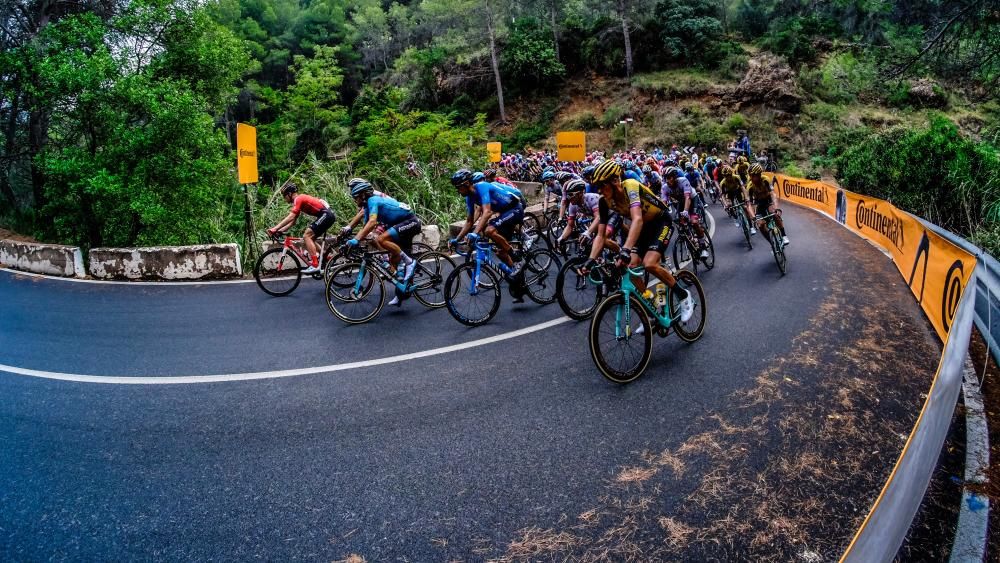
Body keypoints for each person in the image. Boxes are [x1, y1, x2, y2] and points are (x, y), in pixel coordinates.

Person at [584, 160, 694, 323]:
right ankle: (652, 307)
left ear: (615, 181)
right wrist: (590, 260)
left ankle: (684, 296)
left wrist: (626, 249)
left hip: (661, 222)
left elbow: (637, 219)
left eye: (602, 185)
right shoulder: (603, 201)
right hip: (643, 229)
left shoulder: (630, 185)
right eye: (596, 186)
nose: (599, 190)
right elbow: (600, 235)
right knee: (631, 267)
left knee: (650, 263)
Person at [450, 168, 528, 302]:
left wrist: (474, 234)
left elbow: (487, 213)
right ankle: (518, 280)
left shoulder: (482, 187)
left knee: (489, 231)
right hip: (504, 213)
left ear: (467, 183)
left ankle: (515, 255)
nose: (458, 191)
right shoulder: (469, 198)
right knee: (500, 252)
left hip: (514, 208)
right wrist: (456, 239)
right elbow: (469, 221)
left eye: (459, 187)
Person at [344, 178, 422, 291]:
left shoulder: (373, 200)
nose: (354, 200)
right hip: (399, 224)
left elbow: (372, 222)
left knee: (381, 239)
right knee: (392, 260)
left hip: (410, 221)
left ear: (362, 195)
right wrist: (354, 239)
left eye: (355, 197)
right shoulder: (366, 207)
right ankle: (401, 289)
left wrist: (356, 240)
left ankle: (410, 262)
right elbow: (366, 228)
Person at [267, 182, 336, 275]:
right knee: (311, 238)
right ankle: (326, 258)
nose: (284, 199)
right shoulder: (299, 200)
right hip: (326, 215)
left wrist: (274, 228)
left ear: (289, 193)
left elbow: (291, 217)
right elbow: (293, 222)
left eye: (284, 196)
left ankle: (315, 265)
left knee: (306, 236)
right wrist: (280, 231)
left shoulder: (298, 199)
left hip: (326, 215)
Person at [664, 168, 710, 259]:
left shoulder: (683, 181)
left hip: (692, 200)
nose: (668, 180)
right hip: (680, 203)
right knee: (681, 224)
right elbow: (663, 203)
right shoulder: (665, 187)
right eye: (666, 178)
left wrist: (685, 211)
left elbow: (687, 198)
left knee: (694, 222)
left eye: (670, 177)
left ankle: (703, 246)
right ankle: (693, 241)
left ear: (675, 177)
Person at [747, 163, 789, 245]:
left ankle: (784, 236)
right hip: (759, 203)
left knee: (774, 214)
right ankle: (771, 242)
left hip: (768, 200)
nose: (751, 177)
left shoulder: (765, 180)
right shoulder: (750, 186)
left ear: (759, 175)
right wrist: (753, 217)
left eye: (753, 175)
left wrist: (776, 208)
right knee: (761, 225)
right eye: (750, 175)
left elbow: (773, 194)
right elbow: (749, 204)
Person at [719, 166, 756, 235]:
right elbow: (722, 195)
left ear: (731, 174)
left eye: (729, 175)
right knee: (729, 205)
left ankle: (751, 227)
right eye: (725, 176)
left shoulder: (736, 177)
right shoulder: (722, 183)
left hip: (737, 191)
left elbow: (742, 188)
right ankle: (735, 218)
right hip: (729, 193)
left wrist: (746, 197)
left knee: (745, 208)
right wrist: (725, 204)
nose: (728, 177)